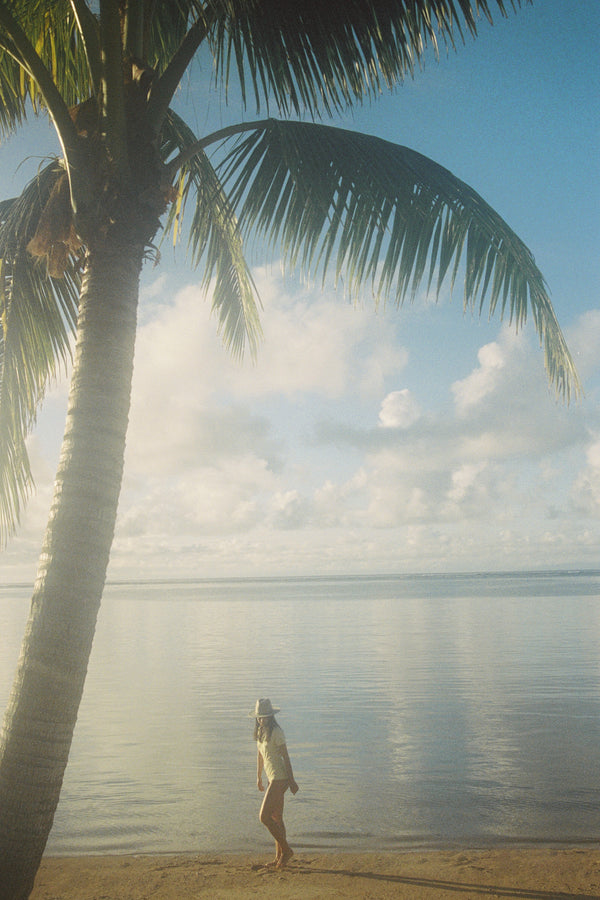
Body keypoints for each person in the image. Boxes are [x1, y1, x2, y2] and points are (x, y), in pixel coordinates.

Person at [250, 698, 299, 868]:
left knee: (264, 817)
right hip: (272, 778)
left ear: (271, 716)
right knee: (276, 818)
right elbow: (260, 755)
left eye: (264, 717)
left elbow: (286, 756)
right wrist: (258, 777)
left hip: (280, 778)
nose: (260, 720)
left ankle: (286, 850)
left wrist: (292, 780)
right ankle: (279, 857)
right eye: (259, 717)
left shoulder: (277, 732)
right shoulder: (260, 732)